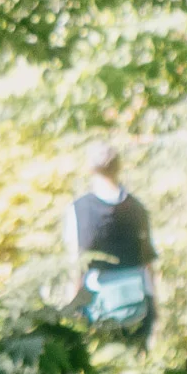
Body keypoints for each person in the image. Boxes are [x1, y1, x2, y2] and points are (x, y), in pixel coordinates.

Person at [66, 138, 164, 348]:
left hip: (97, 310)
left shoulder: (78, 210)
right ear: (119, 167)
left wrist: (72, 308)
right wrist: (155, 310)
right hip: (138, 308)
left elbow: (77, 265)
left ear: (90, 169)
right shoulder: (137, 207)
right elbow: (148, 263)